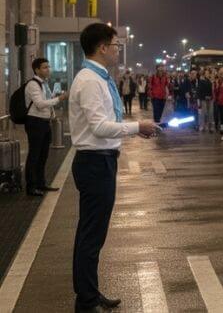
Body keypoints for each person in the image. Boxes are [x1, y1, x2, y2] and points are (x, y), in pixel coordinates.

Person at [69, 23, 158, 312]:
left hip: (101, 160)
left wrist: (135, 129)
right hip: (94, 162)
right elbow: (99, 127)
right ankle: (86, 300)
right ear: (102, 47)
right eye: (116, 44)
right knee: (91, 235)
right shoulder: (90, 81)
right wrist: (137, 126)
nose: (118, 50)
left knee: (93, 234)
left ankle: (90, 293)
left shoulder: (99, 78)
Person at [24, 57, 68, 196]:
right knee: (34, 155)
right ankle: (31, 187)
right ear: (36, 70)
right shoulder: (33, 84)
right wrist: (59, 99)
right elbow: (40, 103)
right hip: (35, 122)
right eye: (44, 67)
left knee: (43, 155)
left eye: (48, 67)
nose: (48, 69)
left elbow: (46, 101)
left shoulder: (44, 83)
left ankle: (41, 184)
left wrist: (52, 115)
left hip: (44, 122)